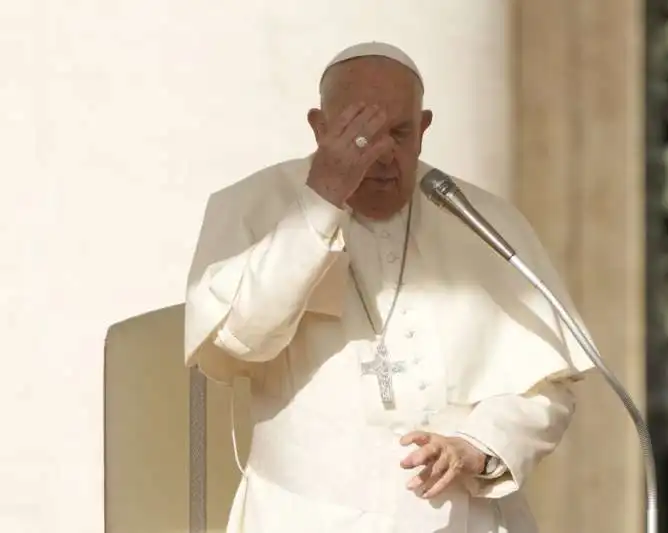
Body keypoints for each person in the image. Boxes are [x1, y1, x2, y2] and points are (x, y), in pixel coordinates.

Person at [184, 41, 595, 533]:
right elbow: (239, 340)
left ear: (424, 128)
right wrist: (322, 201)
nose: (381, 155)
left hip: (465, 520)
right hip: (304, 518)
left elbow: (546, 381)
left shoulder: (479, 218)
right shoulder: (253, 208)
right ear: (319, 127)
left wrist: (479, 446)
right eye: (359, 135)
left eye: (399, 133)